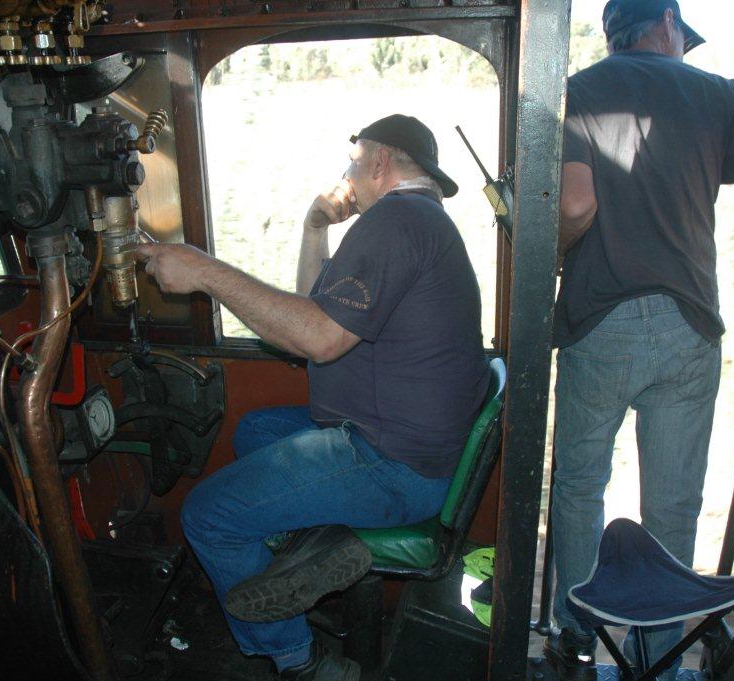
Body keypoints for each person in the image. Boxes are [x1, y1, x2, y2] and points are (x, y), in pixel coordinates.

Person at [136, 114, 489, 680]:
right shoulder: (417, 221)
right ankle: (316, 548)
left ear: (379, 163)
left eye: (352, 162)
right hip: (402, 444)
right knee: (256, 430)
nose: (345, 174)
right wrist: (313, 225)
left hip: (390, 464)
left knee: (208, 516)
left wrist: (204, 270)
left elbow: (315, 340)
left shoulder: (396, 222)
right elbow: (311, 310)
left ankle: (298, 659)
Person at [547, 1, 734, 679]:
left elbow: (576, 205)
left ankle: (579, 641)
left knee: (581, 484)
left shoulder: (576, 93)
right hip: (688, 325)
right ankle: (659, 661)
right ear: (668, 25)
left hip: (598, 319)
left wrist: (551, 256)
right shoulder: (719, 96)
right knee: (672, 504)